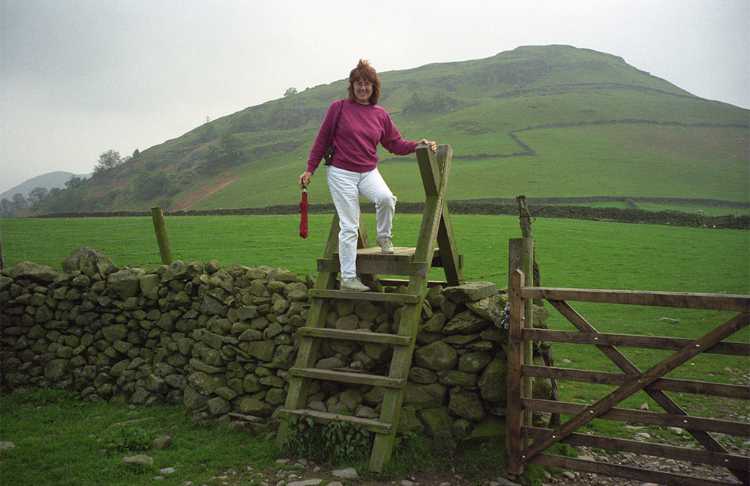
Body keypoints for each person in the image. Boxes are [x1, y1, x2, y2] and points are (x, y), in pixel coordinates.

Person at [299, 59, 437, 292]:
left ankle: (384, 239)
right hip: (341, 172)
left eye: (367, 84)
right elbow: (321, 141)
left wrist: (417, 145)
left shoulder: (380, 114)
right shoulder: (338, 108)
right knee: (350, 226)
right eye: (358, 83)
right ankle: (349, 278)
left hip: (368, 170)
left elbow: (395, 143)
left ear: (374, 88)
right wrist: (309, 169)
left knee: (386, 199)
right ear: (352, 86)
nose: (363, 88)